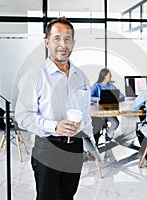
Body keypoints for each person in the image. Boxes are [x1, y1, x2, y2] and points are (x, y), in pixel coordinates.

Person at [15, 17, 95, 200]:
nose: (62, 44)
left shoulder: (80, 77)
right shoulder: (34, 76)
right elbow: (23, 116)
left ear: (73, 43)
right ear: (47, 42)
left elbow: (85, 115)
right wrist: (55, 127)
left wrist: (90, 145)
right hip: (48, 148)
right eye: (57, 38)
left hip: (75, 148)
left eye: (67, 39)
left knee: (67, 196)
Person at [91, 68, 125, 143]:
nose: (111, 76)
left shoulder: (111, 86)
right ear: (105, 76)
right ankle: (95, 141)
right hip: (98, 113)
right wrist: (97, 99)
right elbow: (90, 97)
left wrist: (115, 97)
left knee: (115, 123)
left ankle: (108, 136)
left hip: (109, 111)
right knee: (97, 125)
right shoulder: (96, 86)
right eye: (110, 75)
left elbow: (122, 96)